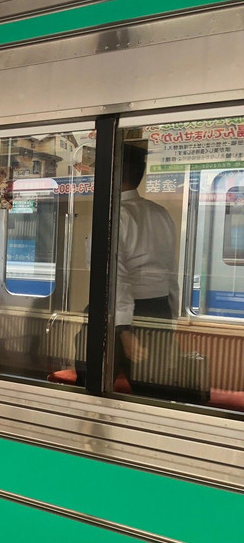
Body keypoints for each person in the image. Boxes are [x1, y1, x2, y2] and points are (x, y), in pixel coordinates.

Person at [114, 142, 178, 376]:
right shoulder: (160, 213)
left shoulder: (116, 216)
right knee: (150, 384)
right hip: (158, 309)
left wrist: (123, 329)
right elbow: (171, 271)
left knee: (93, 382)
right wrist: (171, 319)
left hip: (126, 314)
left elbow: (114, 278)